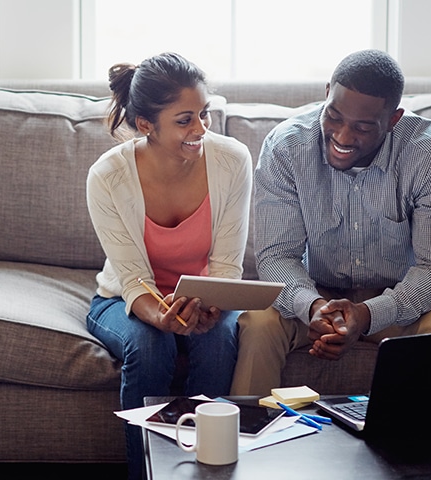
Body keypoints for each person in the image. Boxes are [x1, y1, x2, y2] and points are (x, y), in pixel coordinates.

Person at [230, 49, 431, 396]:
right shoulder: (286, 147)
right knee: (259, 321)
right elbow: (276, 257)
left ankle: (420, 445)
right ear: (327, 93)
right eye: (334, 117)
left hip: (397, 302)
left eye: (362, 127)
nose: (342, 136)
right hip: (317, 296)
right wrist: (312, 307)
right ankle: (250, 442)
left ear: (393, 119)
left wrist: (368, 315)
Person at [85, 52, 252, 479]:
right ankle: (148, 472)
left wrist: (212, 303)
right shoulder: (108, 176)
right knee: (149, 346)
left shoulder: (233, 161)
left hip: (206, 294)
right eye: (184, 120)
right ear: (146, 125)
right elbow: (132, 278)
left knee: (218, 341)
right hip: (126, 299)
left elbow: (226, 265)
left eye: (204, 114)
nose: (201, 129)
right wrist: (163, 315)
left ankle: (206, 469)